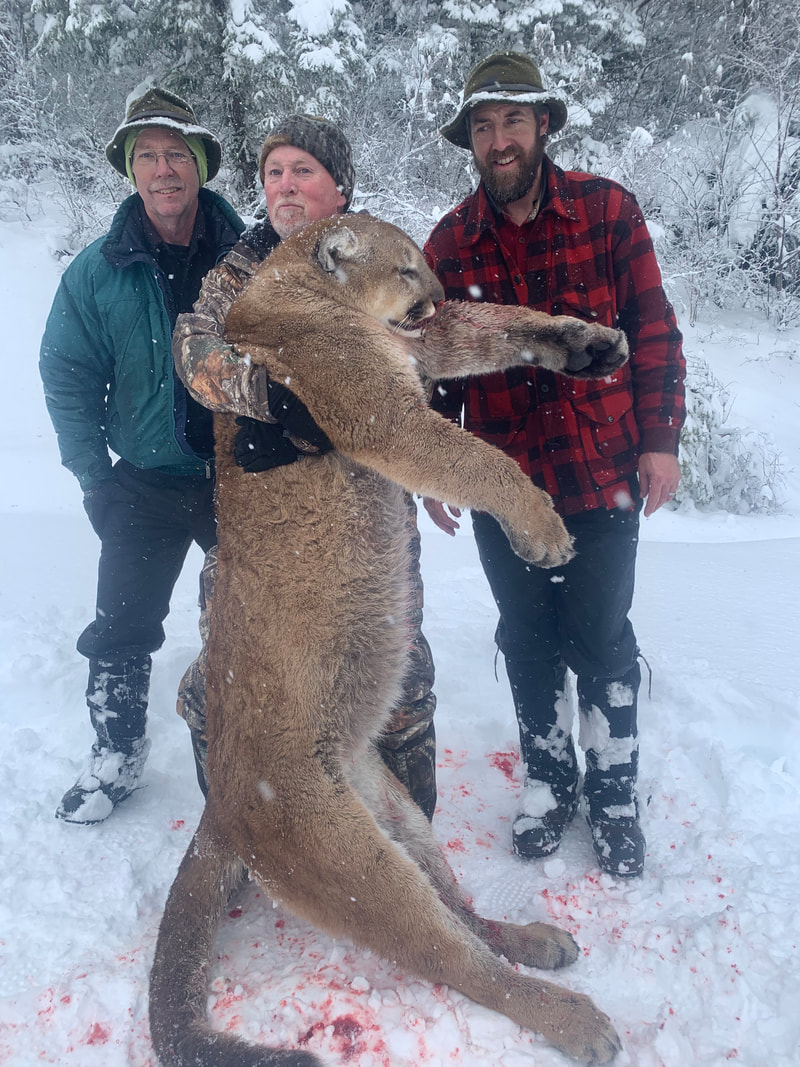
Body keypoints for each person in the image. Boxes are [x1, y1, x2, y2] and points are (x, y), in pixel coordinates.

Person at [422, 52, 686, 877]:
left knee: (602, 640)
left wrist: (660, 440)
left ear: (543, 126)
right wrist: (438, 464)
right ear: (470, 140)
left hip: (602, 473)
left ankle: (612, 789)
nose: (498, 139)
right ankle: (548, 778)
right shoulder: (450, 243)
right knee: (529, 639)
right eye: (483, 126)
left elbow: (652, 332)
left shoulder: (607, 213)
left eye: (512, 121)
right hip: (506, 487)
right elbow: (430, 366)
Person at [172, 114, 439, 821]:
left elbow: (425, 357)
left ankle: (410, 833)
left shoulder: (383, 258)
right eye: (274, 172)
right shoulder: (241, 266)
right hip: (266, 520)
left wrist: (341, 403)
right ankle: (243, 827)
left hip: (367, 515)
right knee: (224, 677)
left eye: (304, 171)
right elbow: (194, 348)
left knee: (396, 675)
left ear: (340, 187)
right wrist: (270, 396)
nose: (285, 185)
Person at [39, 88, 245, 824]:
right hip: (145, 483)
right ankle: (115, 756)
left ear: (202, 166)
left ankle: (261, 760)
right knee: (121, 625)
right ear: (131, 171)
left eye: (177, 155)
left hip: (241, 481)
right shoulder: (98, 270)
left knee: (255, 624)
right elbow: (66, 372)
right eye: (147, 156)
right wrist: (96, 479)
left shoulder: (249, 260)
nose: (163, 170)